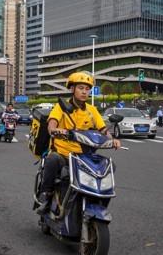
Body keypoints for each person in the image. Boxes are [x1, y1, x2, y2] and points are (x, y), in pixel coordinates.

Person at [37, 72, 121, 214]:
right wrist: (56, 130)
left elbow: (103, 129)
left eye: (87, 89)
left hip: (84, 156)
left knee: (108, 166)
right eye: (81, 88)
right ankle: (46, 194)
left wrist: (112, 139)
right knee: (52, 159)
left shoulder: (91, 110)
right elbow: (51, 125)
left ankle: (99, 201)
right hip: (64, 154)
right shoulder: (61, 107)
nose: (84, 92)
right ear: (72, 89)